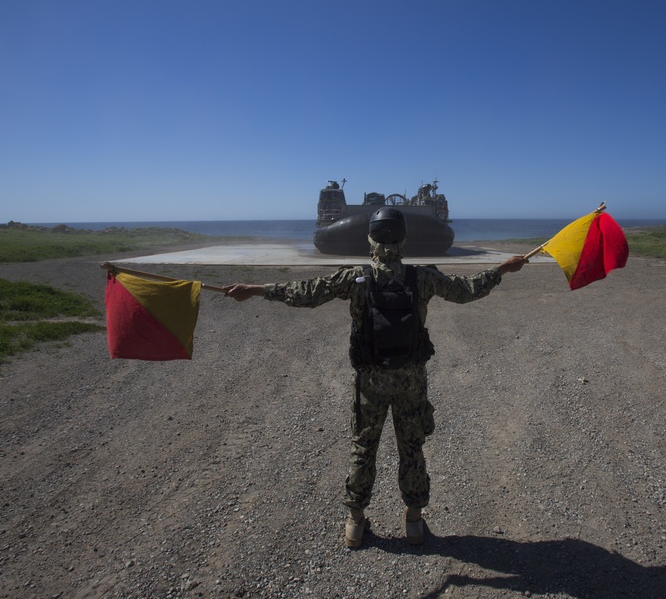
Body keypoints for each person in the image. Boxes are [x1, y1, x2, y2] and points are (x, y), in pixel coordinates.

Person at [223, 208, 528, 548]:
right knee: (411, 447)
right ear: (404, 240)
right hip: (411, 382)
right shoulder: (422, 277)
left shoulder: (355, 278)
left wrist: (254, 289)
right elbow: (467, 289)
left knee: (364, 446)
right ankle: (414, 522)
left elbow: (306, 292)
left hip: (370, 382)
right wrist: (502, 269)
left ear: (370, 239)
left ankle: (355, 522)